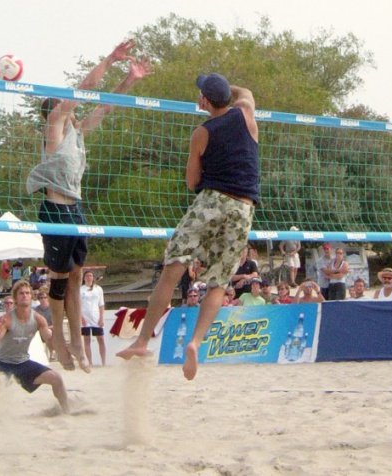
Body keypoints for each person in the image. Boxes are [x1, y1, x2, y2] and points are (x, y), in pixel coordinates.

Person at [118, 73, 259, 382]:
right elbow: (244, 91)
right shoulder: (246, 114)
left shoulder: (202, 132)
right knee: (218, 283)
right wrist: (223, 89)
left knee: (173, 268)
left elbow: (192, 182)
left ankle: (142, 342)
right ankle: (195, 343)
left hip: (211, 202)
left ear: (204, 101)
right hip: (244, 209)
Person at [26, 39, 153, 373]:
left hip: (76, 209)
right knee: (58, 279)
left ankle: (79, 346)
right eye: (66, 103)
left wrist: (130, 80)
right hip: (55, 210)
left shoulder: (77, 131)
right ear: (55, 108)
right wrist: (110, 59)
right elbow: (86, 88)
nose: (73, 106)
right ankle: (60, 342)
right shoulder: (54, 125)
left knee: (76, 277)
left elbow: (105, 106)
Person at [0, 281, 69, 414]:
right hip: (2, 363)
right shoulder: (6, 319)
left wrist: (56, 341)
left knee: (56, 378)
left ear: (31, 297)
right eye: (21, 293)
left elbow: (49, 342)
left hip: (23, 363)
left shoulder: (39, 319)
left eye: (27, 293)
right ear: (15, 298)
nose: (25, 295)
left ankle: (67, 410)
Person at [80, 270, 106, 367]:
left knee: (101, 339)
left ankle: (103, 361)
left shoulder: (98, 289)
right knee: (87, 340)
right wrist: (81, 317)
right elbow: (78, 305)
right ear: (84, 278)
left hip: (96, 316)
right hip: (85, 317)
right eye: (87, 276)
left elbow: (101, 304)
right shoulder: (81, 289)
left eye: (90, 276)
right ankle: (90, 362)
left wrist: (101, 317)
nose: (89, 278)